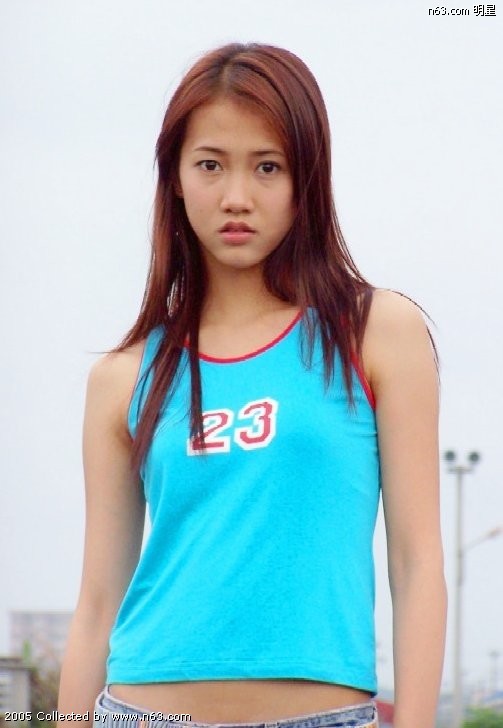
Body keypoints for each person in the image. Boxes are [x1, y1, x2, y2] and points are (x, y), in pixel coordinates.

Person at [57, 43, 447, 728]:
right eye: (210, 165)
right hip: (138, 711)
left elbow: (416, 565)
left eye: (268, 166)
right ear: (176, 177)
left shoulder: (374, 332)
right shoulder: (122, 378)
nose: (236, 197)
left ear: (306, 179)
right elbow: (96, 606)